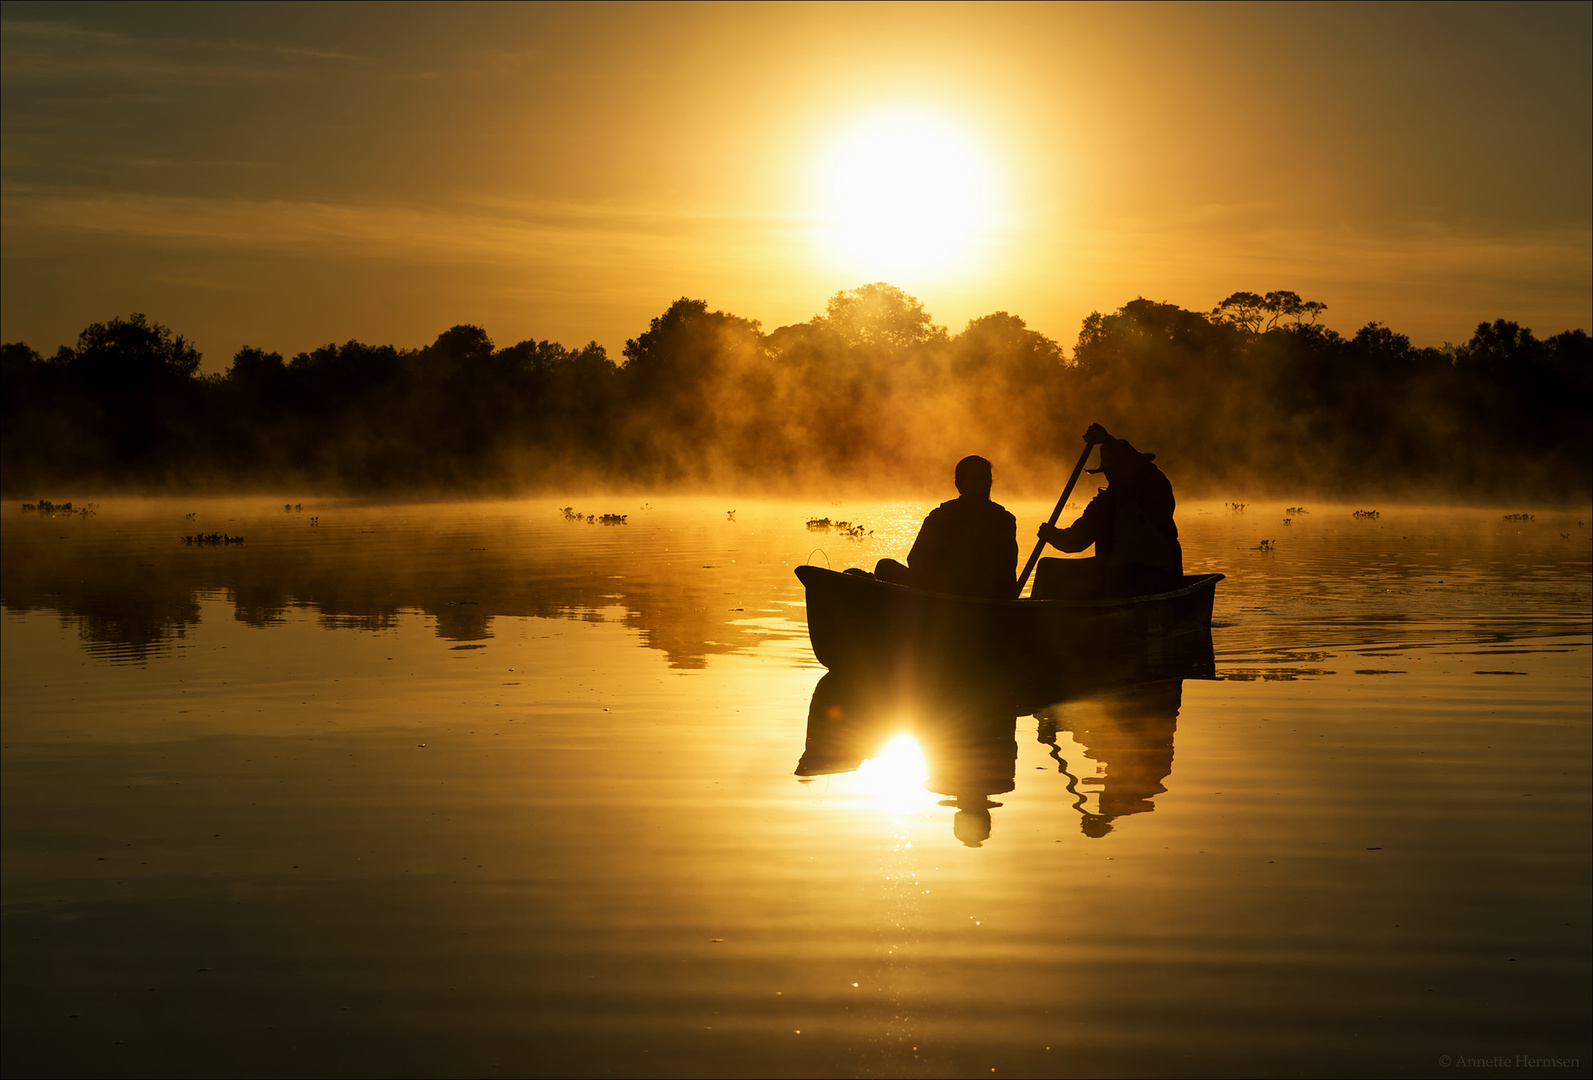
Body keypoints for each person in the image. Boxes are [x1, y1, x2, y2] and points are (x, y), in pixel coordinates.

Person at [1032, 423, 1183, 599]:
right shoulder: (1103, 505)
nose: (1113, 475)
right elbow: (1077, 540)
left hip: (1160, 578)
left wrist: (1107, 440)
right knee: (1047, 567)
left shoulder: (1154, 490)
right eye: (1110, 471)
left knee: (1123, 575)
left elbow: (1145, 469)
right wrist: (1052, 535)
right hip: (1119, 584)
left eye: (1120, 468)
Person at [872, 455, 1019, 600]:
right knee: (885, 566)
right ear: (959, 485)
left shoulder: (941, 516)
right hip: (960, 592)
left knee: (884, 567)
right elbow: (916, 560)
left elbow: (915, 561)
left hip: (952, 594)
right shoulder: (1005, 519)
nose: (982, 486)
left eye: (985, 481)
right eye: (976, 481)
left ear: (958, 485)